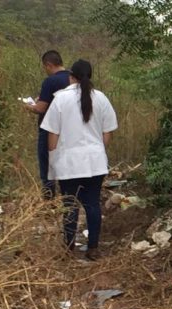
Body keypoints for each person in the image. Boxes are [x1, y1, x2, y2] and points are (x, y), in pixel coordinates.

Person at [40, 59, 118, 260]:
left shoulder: (60, 99)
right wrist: (97, 150)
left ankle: (68, 247)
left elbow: (53, 135)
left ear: (71, 76)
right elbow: (107, 132)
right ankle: (93, 248)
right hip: (95, 162)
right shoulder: (101, 98)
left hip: (69, 163)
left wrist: (53, 158)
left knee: (70, 204)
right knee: (92, 204)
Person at [24, 50, 70, 199]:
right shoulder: (72, 79)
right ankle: (69, 198)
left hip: (49, 129)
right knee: (66, 164)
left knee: (47, 165)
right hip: (69, 129)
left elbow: (40, 108)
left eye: (45, 67)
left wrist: (29, 106)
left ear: (49, 65)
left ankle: (49, 200)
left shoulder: (50, 81)